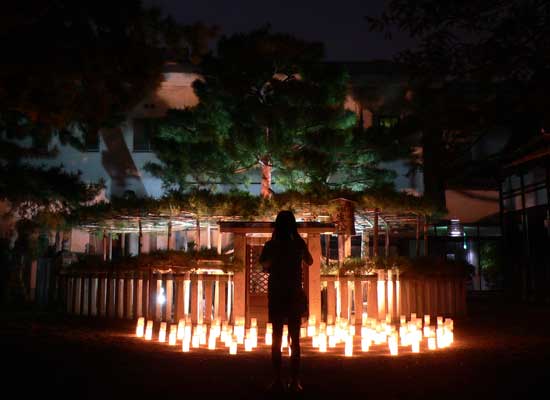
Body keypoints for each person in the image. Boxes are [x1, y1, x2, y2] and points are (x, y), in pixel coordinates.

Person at [259, 210, 313, 393]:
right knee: (295, 339)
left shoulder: (271, 245)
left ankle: (277, 379)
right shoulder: (297, 243)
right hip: (294, 294)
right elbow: (310, 261)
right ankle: (295, 380)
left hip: (277, 294)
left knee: (277, 336)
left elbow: (264, 265)